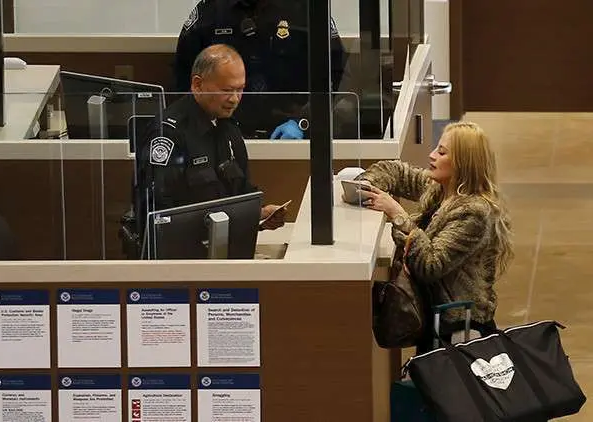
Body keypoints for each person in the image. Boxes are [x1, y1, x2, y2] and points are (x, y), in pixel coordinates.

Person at [347, 122, 514, 353]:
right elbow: (396, 172)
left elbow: (430, 264)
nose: (432, 155)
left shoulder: (474, 212)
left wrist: (397, 214)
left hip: (460, 330)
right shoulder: (442, 189)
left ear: (462, 163)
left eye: (442, 152)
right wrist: (367, 185)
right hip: (436, 321)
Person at [126, 43, 286, 257]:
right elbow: (159, 215)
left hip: (226, 251)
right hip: (181, 260)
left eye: (240, 90)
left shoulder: (228, 128)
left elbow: (242, 192)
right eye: (227, 90)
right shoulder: (168, 134)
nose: (235, 99)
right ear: (198, 85)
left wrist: (260, 215)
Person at [174, 0, 349, 140]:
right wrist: (203, 126)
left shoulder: (306, 7)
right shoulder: (211, 10)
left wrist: (303, 121)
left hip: (295, 140)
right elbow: (185, 80)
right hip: (223, 136)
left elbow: (334, 74)